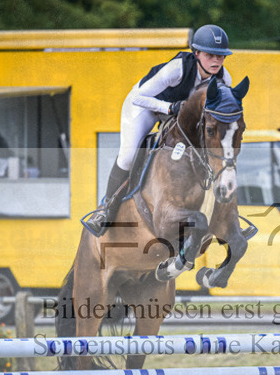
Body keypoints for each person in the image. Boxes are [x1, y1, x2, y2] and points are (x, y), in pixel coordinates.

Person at [83, 24, 234, 236]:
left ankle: (224, 218)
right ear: (197, 53)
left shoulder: (224, 80)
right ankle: (105, 209)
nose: (217, 61)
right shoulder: (178, 68)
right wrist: (169, 107)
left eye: (221, 56)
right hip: (145, 108)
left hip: (176, 117)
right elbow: (139, 97)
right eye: (211, 55)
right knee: (128, 157)